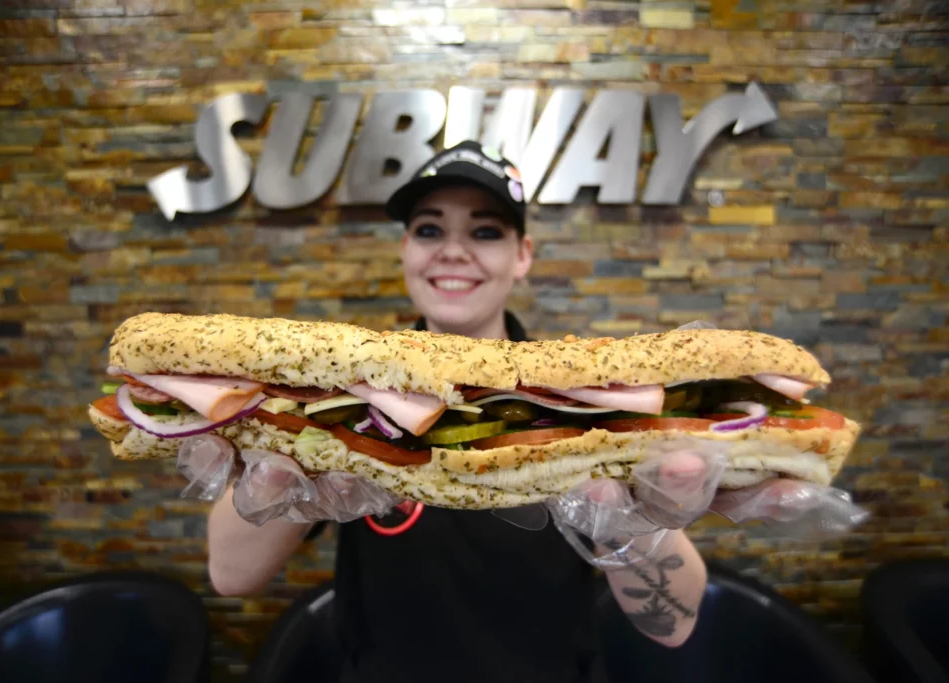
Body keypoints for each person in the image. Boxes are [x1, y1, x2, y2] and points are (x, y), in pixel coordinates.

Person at [203, 141, 832, 682]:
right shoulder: (342, 393)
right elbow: (231, 574)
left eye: (484, 230)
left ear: (522, 255)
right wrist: (290, 482)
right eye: (429, 229)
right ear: (404, 251)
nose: (453, 250)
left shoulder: (589, 404)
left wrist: (639, 525)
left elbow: (671, 621)